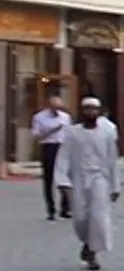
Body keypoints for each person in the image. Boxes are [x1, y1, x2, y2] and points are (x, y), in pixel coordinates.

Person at [53, 97, 119, 270]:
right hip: (78, 179)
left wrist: (115, 185)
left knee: (98, 217)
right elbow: (63, 157)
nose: (90, 112)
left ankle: (93, 252)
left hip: (100, 178)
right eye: (87, 109)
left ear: (99, 111)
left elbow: (112, 160)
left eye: (93, 109)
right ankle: (86, 241)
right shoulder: (72, 133)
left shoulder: (108, 132)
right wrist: (62, 180)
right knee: (80, 218)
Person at [31, 93, 71, 221]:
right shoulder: (39, 117)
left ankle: (65, 208)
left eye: (59, 107)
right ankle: (51, 209)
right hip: (48, 146)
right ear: (49, 106)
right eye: (54, 107)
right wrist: (50, 131)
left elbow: (69, 133)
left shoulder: (66, 117)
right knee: (49, 179)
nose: (57, 110)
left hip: (63, 147)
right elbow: (36, 136)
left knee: (66, 177)